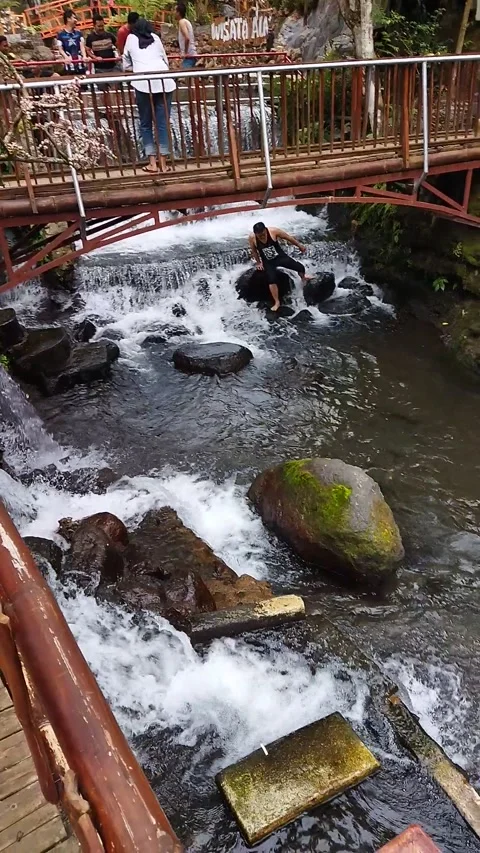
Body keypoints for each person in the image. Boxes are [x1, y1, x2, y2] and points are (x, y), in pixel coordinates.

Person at [123, 17, 176, 174]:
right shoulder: (156, 38)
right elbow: (165, 60)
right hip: (164, 82)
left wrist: (136, 67)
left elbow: (125, 63)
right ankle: (164, 165)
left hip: (142, 82)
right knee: (162, 124)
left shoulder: (131, 38)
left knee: (145, 124)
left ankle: (152, 163)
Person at [249, 222, 311, 312]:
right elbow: (254, 251)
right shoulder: (252, 238)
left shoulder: (273, 231)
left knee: (299, 267)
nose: (261, 237)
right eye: (259, 235)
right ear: (255, 233)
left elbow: (289, 238)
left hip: (280, 257)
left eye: (263, 234)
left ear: (265, 230)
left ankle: (303, 278)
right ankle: (277, 302)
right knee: (271, 279)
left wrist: (300, 246)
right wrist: (258, 263)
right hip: (268, 261)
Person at [57, 10, 87, 74]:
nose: (76, 20)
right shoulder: (61, 35)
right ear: (68, 19)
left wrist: (84, 56)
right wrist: (66, 57)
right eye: (74, 18)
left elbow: (82, 46)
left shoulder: (79, 34)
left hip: (80, 64)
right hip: (69, 64)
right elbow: (60, 49)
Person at [175, 3, 197, 69]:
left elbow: (187, 38)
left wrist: (185, 53)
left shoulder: (182, 22)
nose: (173, 12)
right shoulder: (186, 21)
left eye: (174, 11)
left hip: (189, 55)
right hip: (191, 54)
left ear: (178, 12)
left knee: (183, 76)